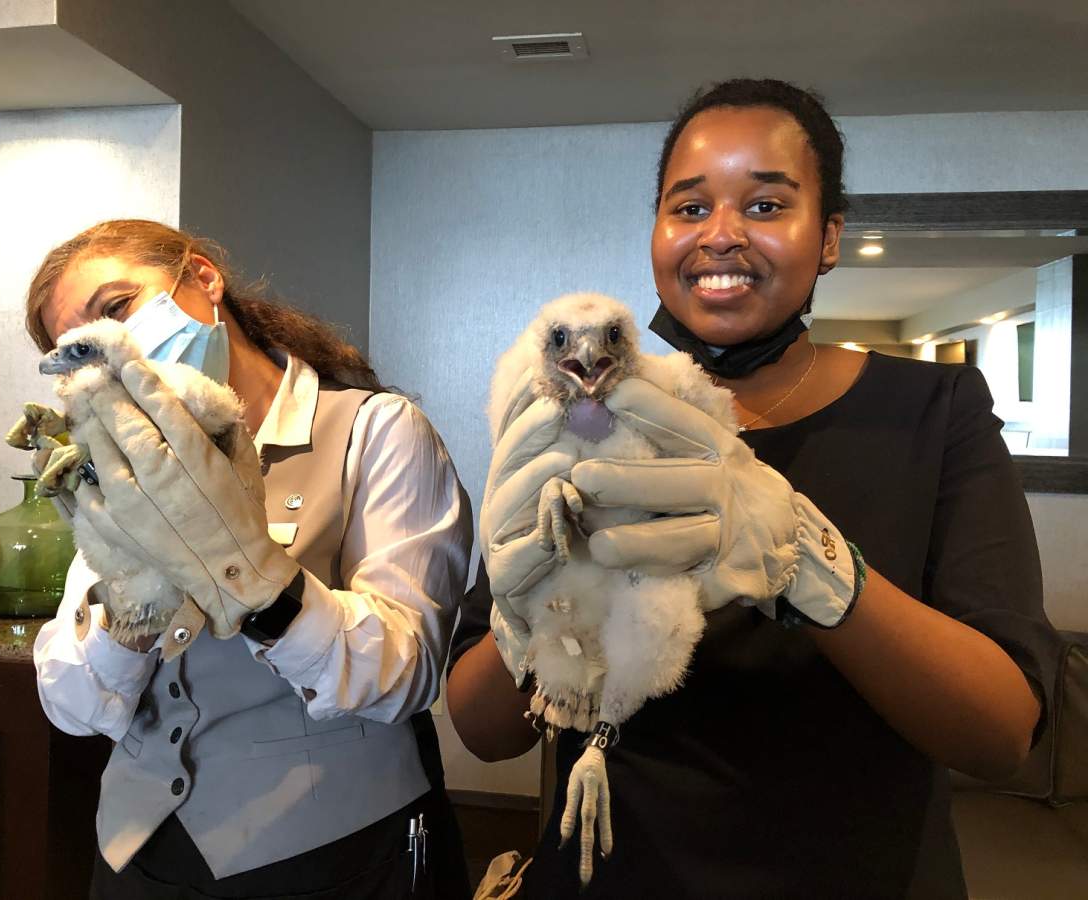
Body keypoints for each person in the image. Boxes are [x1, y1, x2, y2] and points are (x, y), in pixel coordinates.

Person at [446, 79, 1061, 899]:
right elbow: (482, 733)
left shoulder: (932, 411)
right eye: (690, 208)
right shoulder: (580, 411)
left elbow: (1000, 733)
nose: (721, 237)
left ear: (830, 236)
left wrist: (806, 562)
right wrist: (529, 613)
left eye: (766, 206)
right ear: (657, 232)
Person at [27, 219, 473, 899]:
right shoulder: (117, 472)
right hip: (140, 858)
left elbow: (404, 671)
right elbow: (71, 703)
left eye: (118, 308)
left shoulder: (374, 431)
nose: (110, 350)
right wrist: (129, 609)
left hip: (334, 857)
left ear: (203, 279)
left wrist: (254, 579)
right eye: (77, 350)